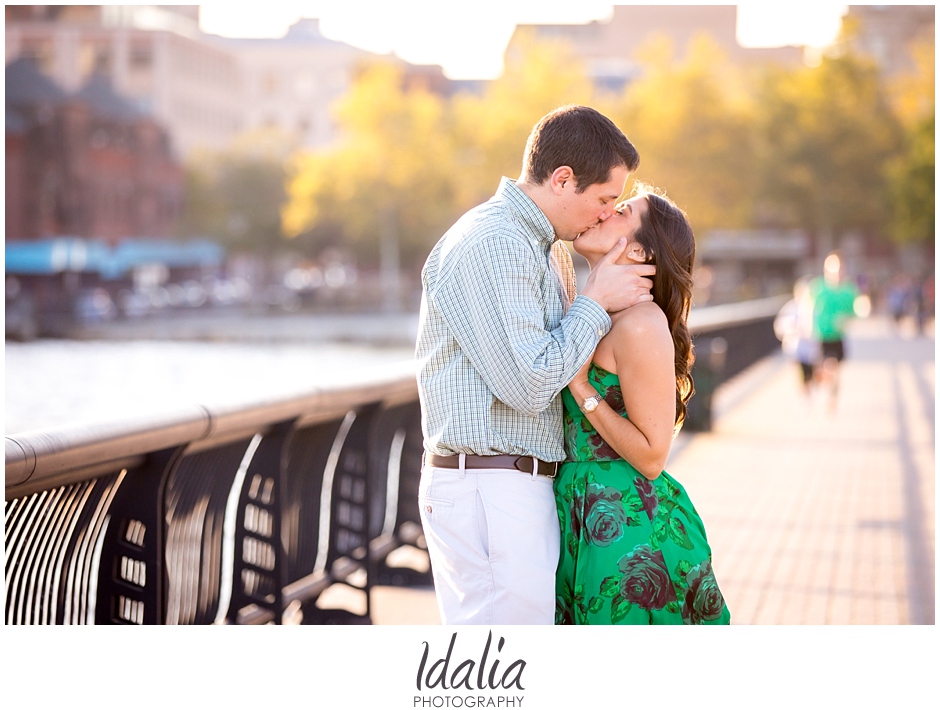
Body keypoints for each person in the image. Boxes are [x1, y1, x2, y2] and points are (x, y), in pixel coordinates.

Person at [415, 105, 655, 625]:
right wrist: (595, 302)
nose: (604, 214)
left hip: (507, 485)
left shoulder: (542, 247)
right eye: (604, 199)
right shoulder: (498, 242)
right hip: (491, 485)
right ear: (563, 179)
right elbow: (530, 385)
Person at [555, 184, 730, 625]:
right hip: (578, 511)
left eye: (623, 211)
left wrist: (582, 390)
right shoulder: (594, 312)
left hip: (628, 529)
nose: (606, 211)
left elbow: (653, 455)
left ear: (638, 253)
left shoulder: (640, 323)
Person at [810, 252, 859, 413]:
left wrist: (845, 318)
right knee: (828, 367)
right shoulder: (818, 287)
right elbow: (807, 307)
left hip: (838, 335)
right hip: (822, 334)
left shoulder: (848, 290)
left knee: (836, 371)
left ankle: (832, 398)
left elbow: (854, 311)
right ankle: (821, 382)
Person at [773, 276, 820, 399]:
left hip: (811, 350)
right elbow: (779, 326)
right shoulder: (790, 308)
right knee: (800, 374)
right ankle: (804, 395)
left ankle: (809, 389)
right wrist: (792, 327)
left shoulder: (814, 308)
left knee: (810, 374)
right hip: (795, 349)